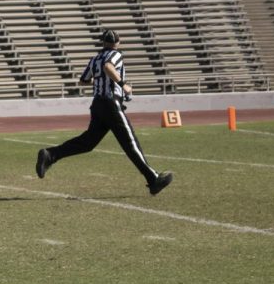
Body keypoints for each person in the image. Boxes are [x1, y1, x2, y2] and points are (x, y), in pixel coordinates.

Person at [34, 29, 173, 195]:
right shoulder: (115, 55)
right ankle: (153, 179)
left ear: (103, 42)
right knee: (130, 142)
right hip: (110, 103)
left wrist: (99, 79)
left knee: (87, 142)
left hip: (98, 104)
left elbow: (84, 80)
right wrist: (123, 85)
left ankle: (51, 154)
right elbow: (108, 67)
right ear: (118, 43)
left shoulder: (95, 58)